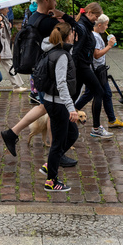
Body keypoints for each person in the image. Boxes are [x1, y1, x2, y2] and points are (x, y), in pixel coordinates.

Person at [0, 0, 79, 167]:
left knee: (46, 107)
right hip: (49, 72)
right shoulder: (50, 23)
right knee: (51, 107)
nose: (56, 2)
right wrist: (63, 17)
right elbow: (73, 30)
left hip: (39, 70)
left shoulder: (34, 17)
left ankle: (13, 133)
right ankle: (55, 150)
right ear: (46, 0)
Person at [37, 22, 80, 192]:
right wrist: (71, 108)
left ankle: (50, 164)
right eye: (72, 34)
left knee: (73, 133)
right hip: (58, 103)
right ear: (67, 36)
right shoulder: (61, 55)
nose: (74, 36)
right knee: (58, 142)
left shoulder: (53, 50)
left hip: (52, 100)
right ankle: (51, 181)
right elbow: (61, 83)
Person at [74, 14, 123, 127]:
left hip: (96, 70)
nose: (107, 27)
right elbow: (96, 55)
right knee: (105, 93)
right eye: (106, 25)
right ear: (99, 25)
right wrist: (109, 46)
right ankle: (110, 120)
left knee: (90, 94)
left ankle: (74, 109)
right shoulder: (95, 36)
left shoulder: (96, 35)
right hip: (96, 70)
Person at [72, 2, 112, 138]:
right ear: (89, 13)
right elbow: (76, 51)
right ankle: (95, 128)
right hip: (81, 66)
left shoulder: (85, 26)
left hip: (83, 66)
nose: (97, 19)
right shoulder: (83, 27)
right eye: (96, 16)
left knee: (74, 96)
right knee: (98, 91)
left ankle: (67, 124)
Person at [0, 5, 27, 92]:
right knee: (9, 65)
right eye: (7, 8)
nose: (8, 10)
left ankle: (17, 85)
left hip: (3, 46)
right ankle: (16, 86)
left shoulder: (3, 17)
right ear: (2, 9)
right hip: (2, 47)